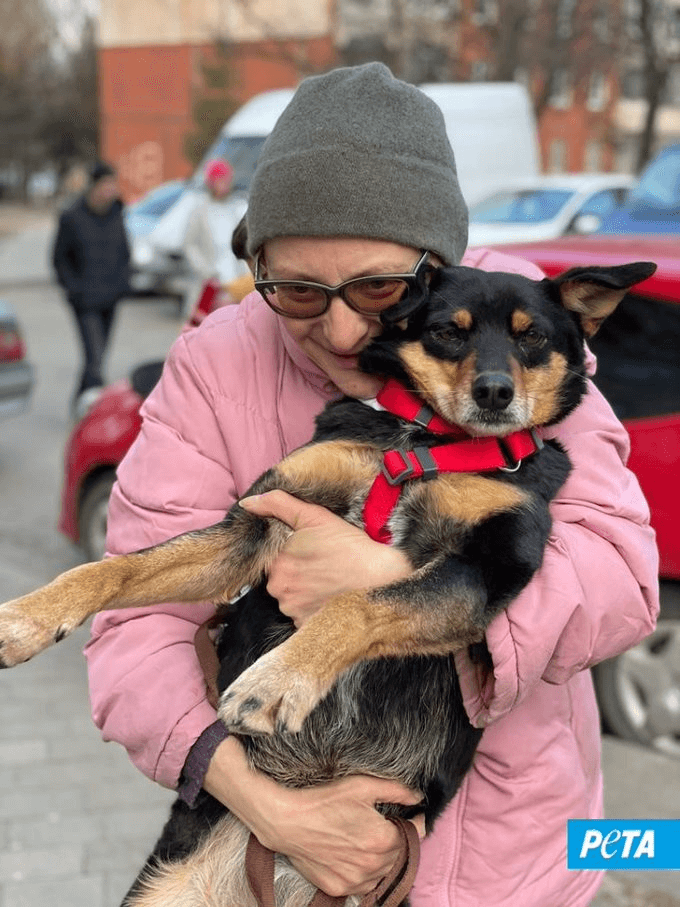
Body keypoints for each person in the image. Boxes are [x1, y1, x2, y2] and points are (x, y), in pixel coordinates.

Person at [84, 63, 659, 907]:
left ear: (436, 265)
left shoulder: (520, 337)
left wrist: (390, 587)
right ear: (257, 261)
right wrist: (270, 808)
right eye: (298, 291)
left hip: (506, 859)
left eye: (379, 289)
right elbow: (134, 632)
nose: (347, 328)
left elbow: (621, 579)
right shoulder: (214, 367)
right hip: (258, 842)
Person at [52, 160, 131, 415]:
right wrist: (74, 289)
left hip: (111, 298)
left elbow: (124, 252)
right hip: (85, 302)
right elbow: (59, 259)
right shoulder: (72, 216)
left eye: (113, 184)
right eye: (107, 184)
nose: (111, 190)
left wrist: (123, 282)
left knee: (96, 358)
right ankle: (95, 414)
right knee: (94, 359)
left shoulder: (118, 213)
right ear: (95, 186)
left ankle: (79, 404)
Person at [182, 158, 250, 314]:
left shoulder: (237, 208)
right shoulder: (200, 211)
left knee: (234, 322)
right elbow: (189, 245)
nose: (224, 185)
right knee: (202, 324)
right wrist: (204, 269)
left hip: (235, 281)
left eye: (227, 180)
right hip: (210, 281)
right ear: (211, 183)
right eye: (220, 181)